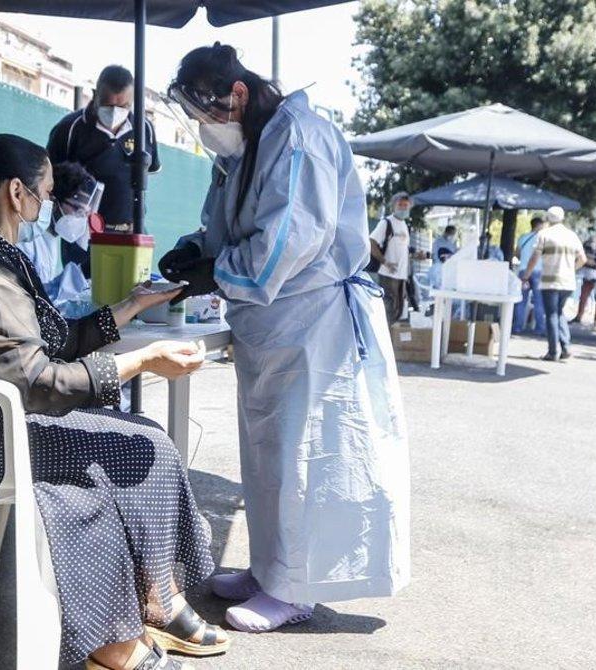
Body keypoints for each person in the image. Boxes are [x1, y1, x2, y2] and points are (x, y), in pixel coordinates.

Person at [0, 135, 222, 670]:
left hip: (0, 424)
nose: (50, 204)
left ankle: (159, 597)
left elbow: (52, 343)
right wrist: (140, 361)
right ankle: (111, 644)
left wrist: (129, 305)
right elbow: (39, 383)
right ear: (16, 192)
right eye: (47, 193)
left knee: (148, 437)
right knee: (93, 471)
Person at [162, 43, 410, 633]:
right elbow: (226, 223)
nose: (204, 129)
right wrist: (198, 249)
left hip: (311, 323)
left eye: (206, 115)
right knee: (267, 459)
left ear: (238, 94)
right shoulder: (244, 147)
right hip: (271, 328)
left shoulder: (299, 136)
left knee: (306, 459)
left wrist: (216, 272)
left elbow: (289, 241)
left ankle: (295, 588)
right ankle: (269, 570)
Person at [47, 65, 161, 275]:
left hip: (131, 230)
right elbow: (49, 182)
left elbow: (150, 169)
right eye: (108, 105)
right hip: (83, 235)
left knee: (134, 297)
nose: (116, 112)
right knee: (82, 297)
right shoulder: (70, 128)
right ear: (95, 95)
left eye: (124, 105)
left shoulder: (144, 128)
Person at [16, 161, 103, 316]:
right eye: (77, 209)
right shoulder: (26, 239)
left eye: (85, 213)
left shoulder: (50, 238)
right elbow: (32, 299)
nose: (81, 218)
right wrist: (81, 274)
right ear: (54, 203)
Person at [524, 206, 586, 361]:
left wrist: (526, 275)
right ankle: (566, 347)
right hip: (568, 281)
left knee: (551, 314)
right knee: (559, 312)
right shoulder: (572, 236)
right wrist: (571, 269)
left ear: (548, 219)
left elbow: (534, 258)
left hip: (550, 281)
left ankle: (553, 351)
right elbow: (583, 259)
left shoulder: (544, 234)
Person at [368, 191, 413, 323]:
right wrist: (385, 262)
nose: (403, 208)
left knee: (398, 309)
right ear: (393, 206)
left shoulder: (405, 225)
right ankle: (385, 339)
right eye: (400, 205)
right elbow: (371, 243)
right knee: (389, 308)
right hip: (388, 274)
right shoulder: (386, 223)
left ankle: (392, 338)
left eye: (406, 205)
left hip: (401, 275)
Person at [512, 216, 547, 336]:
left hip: (523, 271)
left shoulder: (523, 238)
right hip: (539, 271)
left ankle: (517, 327)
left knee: (521, 300)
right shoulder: (543, 239)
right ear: (539, 225)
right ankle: (539, 328)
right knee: (539, 301)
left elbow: (516, 254)